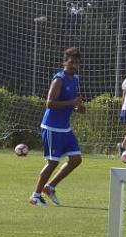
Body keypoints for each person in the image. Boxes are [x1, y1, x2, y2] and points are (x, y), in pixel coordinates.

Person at [29, 47, 86, 206]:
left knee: (76, 159)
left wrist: (77, 108)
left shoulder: (75, 80)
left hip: (65, 128)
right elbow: (50, 103)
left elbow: (70, 104)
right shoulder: (59, 79)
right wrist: (72, 103)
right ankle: (35, 195)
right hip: (52, 127)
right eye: (71, 62)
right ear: (64, 62)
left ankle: (50, 187)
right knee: (53, 162)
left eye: (77, 63)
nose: (74, 65)